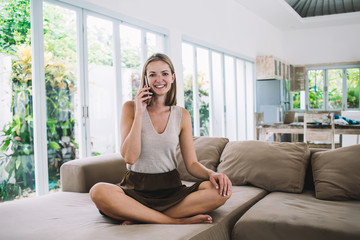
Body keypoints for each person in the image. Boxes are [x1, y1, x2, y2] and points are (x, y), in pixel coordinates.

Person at [89, 53, 232, 225]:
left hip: (171, 190)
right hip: (135, 189)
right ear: (145, 79)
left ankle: (140, 216)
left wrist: (212, 173)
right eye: (152, 74)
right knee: (98, 191)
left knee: (220, 191)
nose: (159, 79)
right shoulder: (130, 108)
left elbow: (192, 164)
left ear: (172, 77)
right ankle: (173, 220)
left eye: (164, 73)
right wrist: (140, 113)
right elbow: (130, 157)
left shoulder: (182, 115)